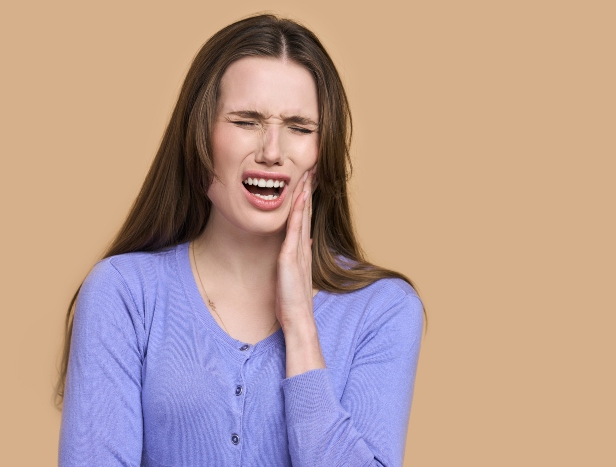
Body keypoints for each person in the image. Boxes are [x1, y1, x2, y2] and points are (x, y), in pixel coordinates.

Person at [56, 14, 424, 467]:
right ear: (199, 135)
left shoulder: (383, 310)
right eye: (246, 121)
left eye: (300, 127)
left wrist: (301, 328)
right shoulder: (124, 294)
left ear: (321, 152)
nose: (272, 151)